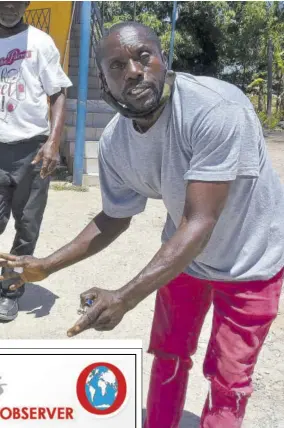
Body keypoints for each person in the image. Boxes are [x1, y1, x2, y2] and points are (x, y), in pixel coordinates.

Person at [1, 21, 284, 428]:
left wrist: (125, 296)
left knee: (228, 379)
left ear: (163, 59)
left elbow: (200, 222)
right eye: (117, 66)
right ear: (104, 81)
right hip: (184, 261)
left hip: (252, 263)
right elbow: (115, 217)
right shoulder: (117, 141)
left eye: (143, 56)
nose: (133, 70)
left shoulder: (215, 109)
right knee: (168, 357)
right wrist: (47, 265)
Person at [0, 1, 72, 321]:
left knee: (27, 226)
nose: (10, 7)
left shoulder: (40, 42)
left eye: (18, 1)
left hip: (32, 150)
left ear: (28, 3)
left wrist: (53, 142)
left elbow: (57, 93)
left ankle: (10, 289)